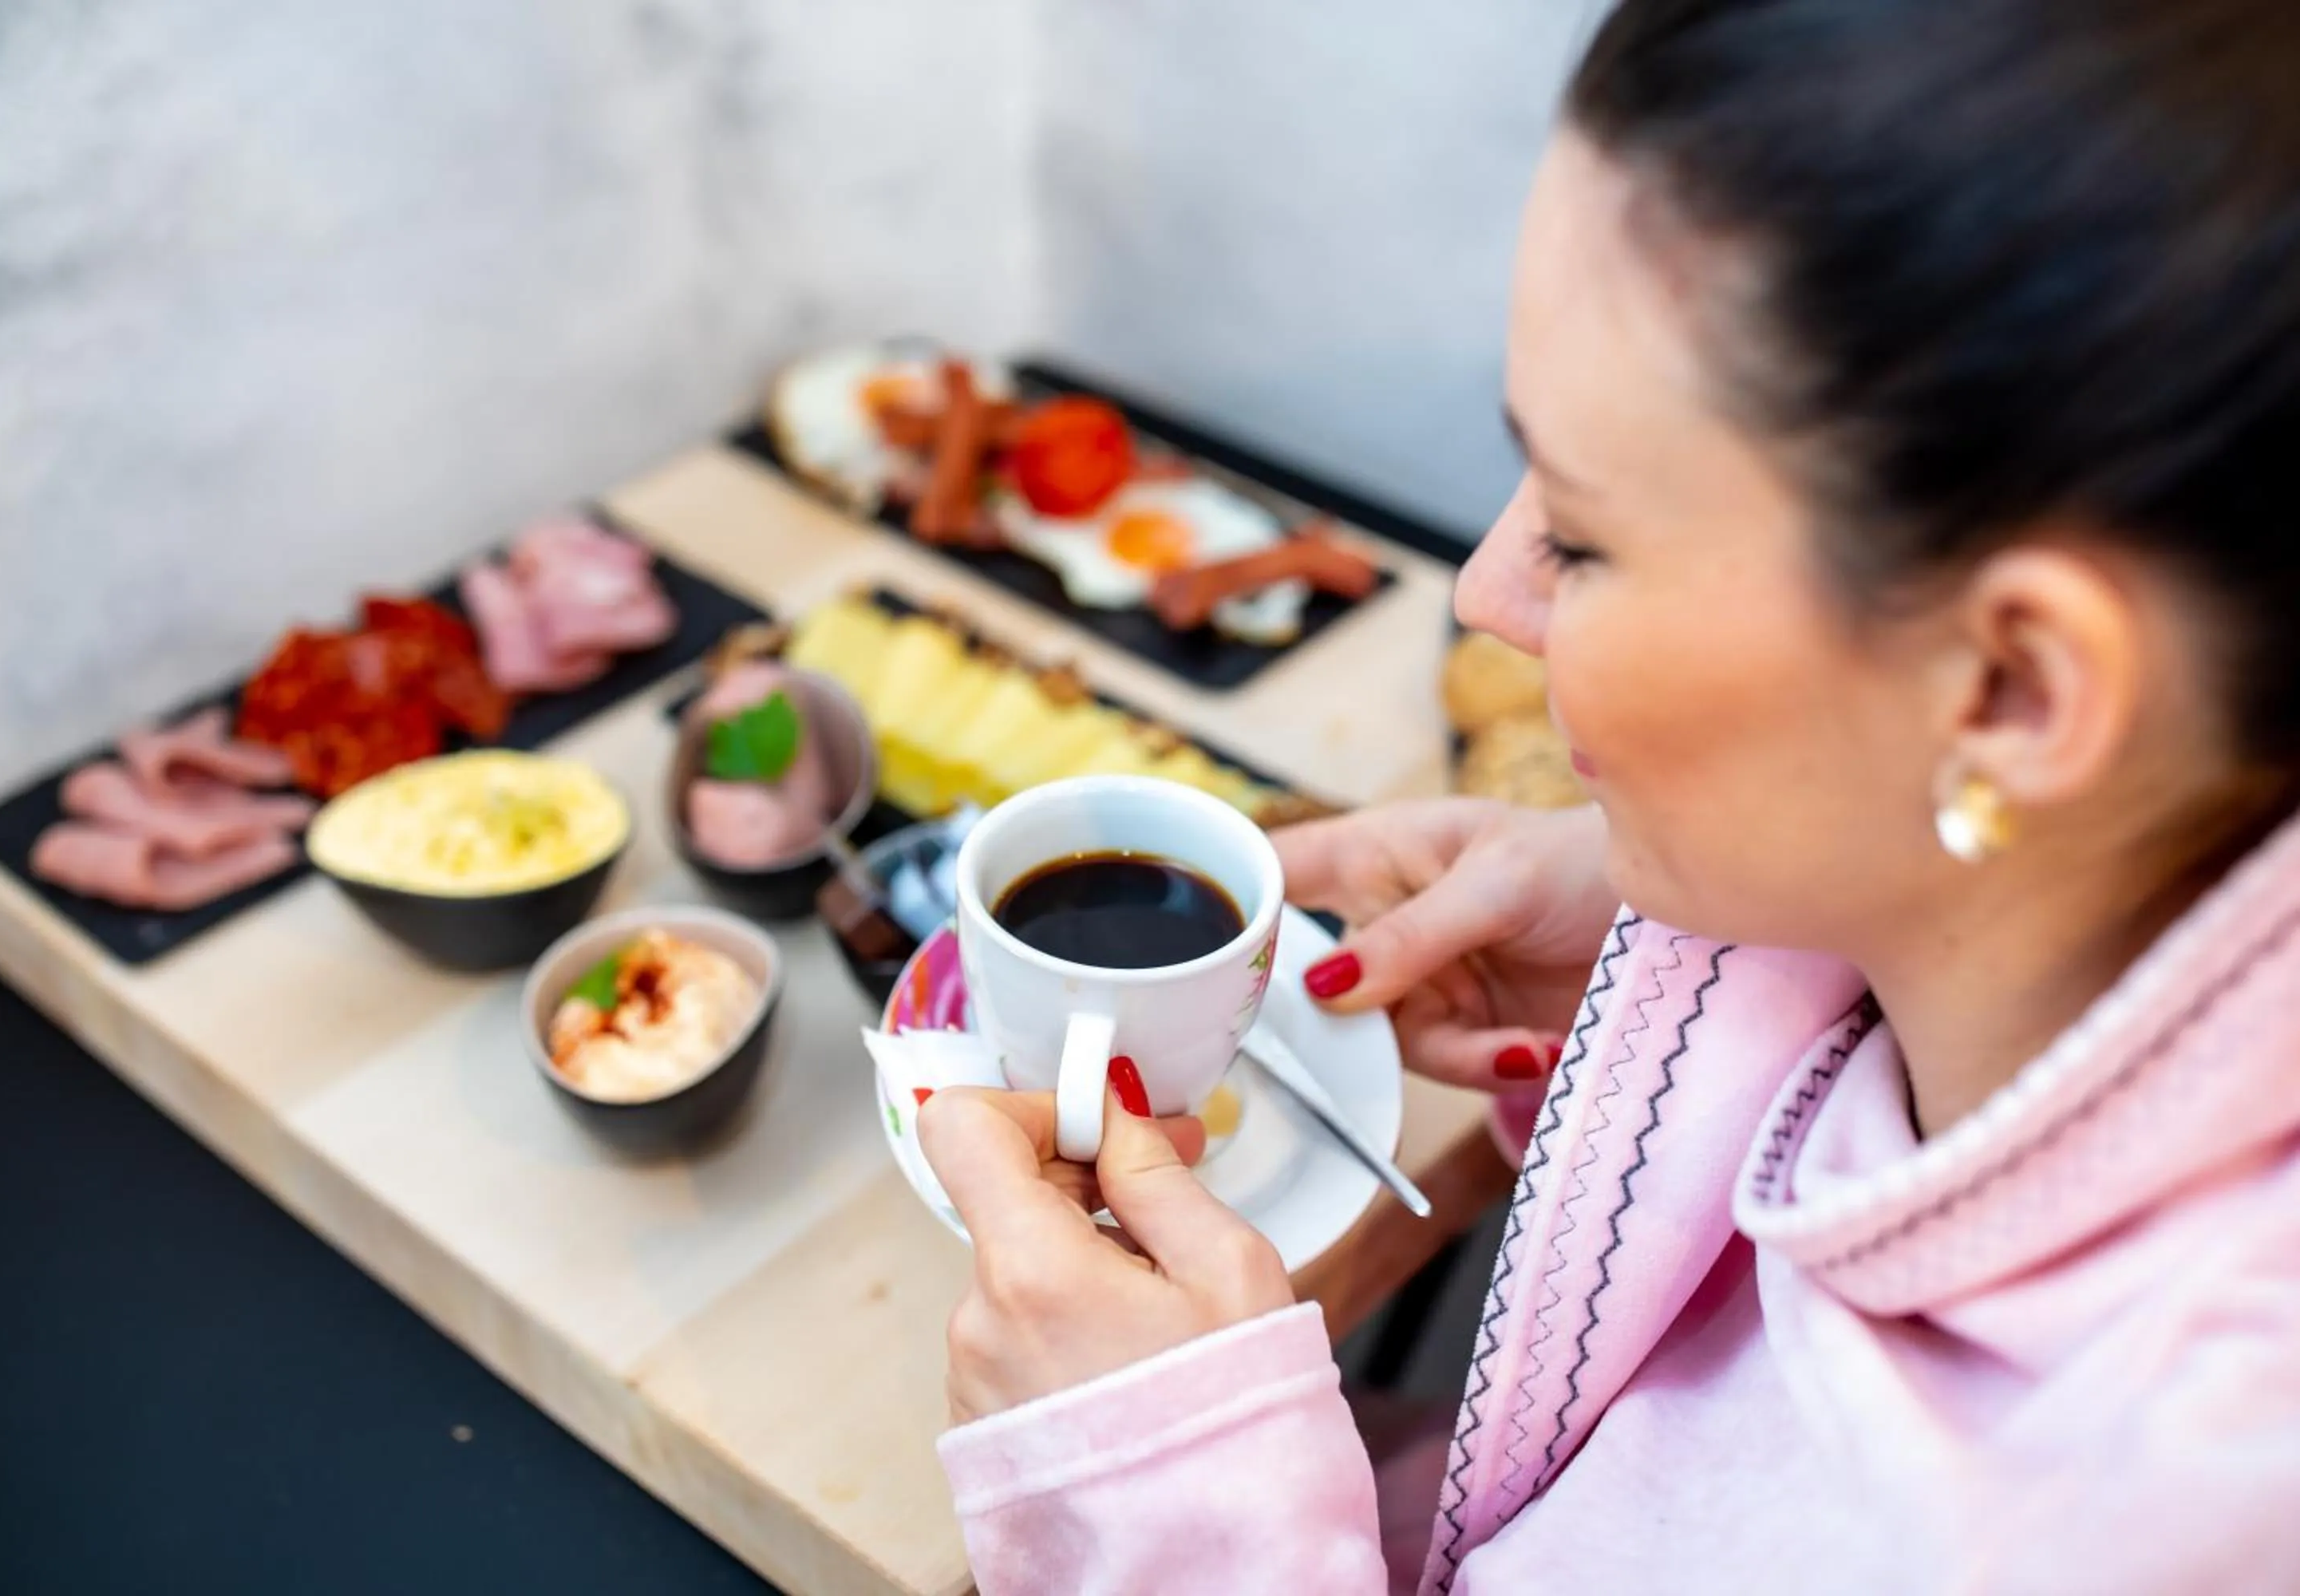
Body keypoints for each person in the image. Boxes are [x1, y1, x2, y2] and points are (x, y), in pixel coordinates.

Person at [916, 0, 2300, 1589]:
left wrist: (1164, 1512)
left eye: (1580, 534)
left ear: (2014, 692)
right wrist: (1723, 976)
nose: (1487, 596)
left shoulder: (2194, 1497)